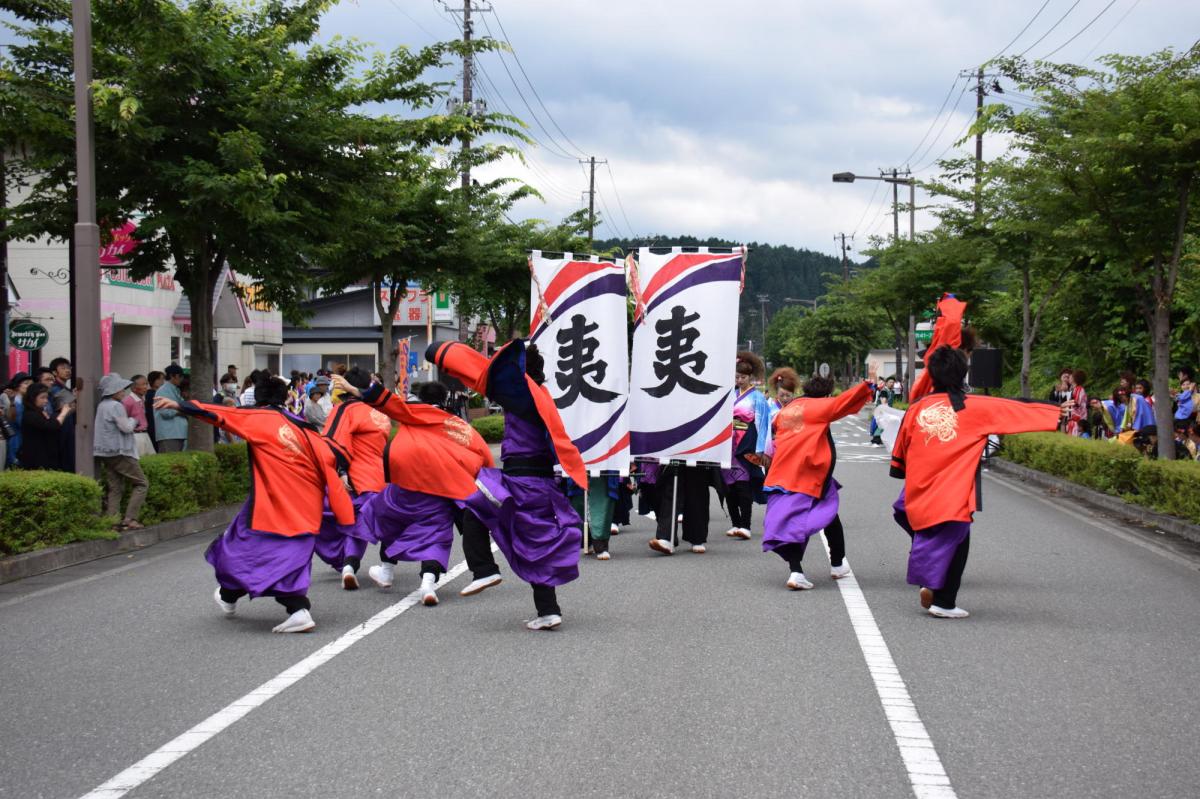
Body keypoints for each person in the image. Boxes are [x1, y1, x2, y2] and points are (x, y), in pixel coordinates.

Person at [154, 373, 356, 633]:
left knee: (241, 549)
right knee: (287, 555)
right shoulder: (301, 425)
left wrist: (181, 405)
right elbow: (333, 453)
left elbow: (221, 415)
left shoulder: (260, 418)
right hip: (307, 502)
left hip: (273, 502)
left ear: (258, 399)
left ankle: (295, 608)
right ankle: (232, 596)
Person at [890, 346, 1063, 619]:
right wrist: (1055, 412)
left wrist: (900, 470)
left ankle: (931, 584)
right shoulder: (973, 405)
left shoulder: (917, 408)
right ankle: (944, 601)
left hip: (919, 489)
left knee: (928, 535)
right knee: (957, 540)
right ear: (963, 372)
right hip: (952, 490)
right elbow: (1015, 410)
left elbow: (900, 449)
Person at [430, 339, 587, 631]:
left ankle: (485, 569)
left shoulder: (523, 394)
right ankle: (549, 611)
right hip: (539, 484)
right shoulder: (540, 395)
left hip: (521, 482)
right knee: (533, 545)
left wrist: (441, 352)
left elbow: (481, 376)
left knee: (475, 507)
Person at [331, 373, 494, 608]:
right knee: (437, 536)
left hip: (405, 485)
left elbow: (387, 402)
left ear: (420, 399)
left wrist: (357, 389)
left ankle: (383, 570)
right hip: (441, 492)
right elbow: (484, 455)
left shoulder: (415, 412)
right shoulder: (459, 425)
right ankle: (427, 584)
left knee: (384, 517)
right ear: (445, 400)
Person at [762, 365, 877, 590]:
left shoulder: (787, 409)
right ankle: (805, 570)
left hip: (783, 474)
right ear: (825, 395)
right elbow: (844, 402)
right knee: (803, 522)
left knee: (817, 517)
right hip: (807, 475)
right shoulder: (819, 407)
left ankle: (833, 564)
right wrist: (868, 385)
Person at [314, 367, 390, 589]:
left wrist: (341, 471)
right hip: (379, 479)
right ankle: (370, 568)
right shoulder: (379, 413)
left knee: (329, 520)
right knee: (361, 526)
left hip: (352, 478)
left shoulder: (345, 410)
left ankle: (348, 566)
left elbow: (332, 444)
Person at [721, 352, 771, 541]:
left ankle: (746, 525)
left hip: (746, 445)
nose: (739, 380)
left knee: (744, 486)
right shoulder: (730, 395)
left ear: (750, 378)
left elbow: (763, 425)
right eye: (736, 377)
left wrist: (760, 450)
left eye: (743, 377)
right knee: (728, 486)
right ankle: (735, 523)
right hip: (728, 444)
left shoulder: (757, 398)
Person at [94, 374, 149, 530]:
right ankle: (130, 518)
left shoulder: (102, 405)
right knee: (142, 483)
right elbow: (126, 428)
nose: (124, 391)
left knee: (115, 487)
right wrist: (134, 419)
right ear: (114, 390)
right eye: (121, 388)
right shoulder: (116, 406)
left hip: (105, 452)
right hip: (120, 451)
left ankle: (112, 520)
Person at [19, 384, 70, 470]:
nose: (46, 401)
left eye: (46, 398)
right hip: (37, 458)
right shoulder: (30, 414)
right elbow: (52, 426)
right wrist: (63, 412)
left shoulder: (40, 411)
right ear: (32, 398)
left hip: (47, 455)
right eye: (42, 398)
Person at [153, 365, 188, 452]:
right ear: (174, 376)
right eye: (180, 376)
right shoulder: (163, 390)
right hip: (169, 434)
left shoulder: (176, 390)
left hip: (179, 433)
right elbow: (165, 412)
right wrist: (180, 411)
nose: (181, 379)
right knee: (171, 463)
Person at [121, 375, 156, 458]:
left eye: (146, 384)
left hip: (144, 434)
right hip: (135, 436)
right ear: (133, 388)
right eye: (143, 384)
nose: (146, 387)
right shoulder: (128, 401)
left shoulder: (142, 400)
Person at [1, 373, 32, 467]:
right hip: (15, 440)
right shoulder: (12, 400)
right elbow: (17, 421)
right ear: (17, 386)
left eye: (31, 384)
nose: (29, 386)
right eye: (26, 383)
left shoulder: (27, 401)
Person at [1064, 370, 1088, 437]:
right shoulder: (1074, 389)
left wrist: (1065, 404)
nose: (1069, 378)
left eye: (1071, 376)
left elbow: (1077, 403)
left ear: (1075, 378)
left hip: (1077, 421)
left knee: (1073, 439)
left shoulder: (1079, 389)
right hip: (1073, 420)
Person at [144, 371, 164, 450]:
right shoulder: (152, 394)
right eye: (160, 379)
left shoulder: (152, 394)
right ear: (153, 380)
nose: (162, 381)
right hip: (153, 425)